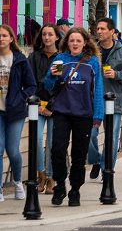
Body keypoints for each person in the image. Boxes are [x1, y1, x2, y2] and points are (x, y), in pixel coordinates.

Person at [45, 27, 103, 207]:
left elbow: (98, 89)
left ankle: (75, 189)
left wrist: (98, 114)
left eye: (78, 40)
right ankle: (60, 185)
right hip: (62, 112)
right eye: (72, 41)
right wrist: (52, 76)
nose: (75, 44)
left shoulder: (92, 62)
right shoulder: (60, 59)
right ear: (67, 43)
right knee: (57, 150)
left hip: (83, 114)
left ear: (85, 42)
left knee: (79, 154)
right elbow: (48, 86)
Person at [87, 17, 122, 181]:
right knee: (89, 135)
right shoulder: (91, 51)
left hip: (114, 101)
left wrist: (116, 74)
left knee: (111, 139)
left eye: (102, 29)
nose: (99, 32)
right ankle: (96, 160)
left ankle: (107, 171)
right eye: (98, 29)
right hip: (93, 101)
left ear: (112, 32)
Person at [0, 24, 36, 202]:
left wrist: (20, 97)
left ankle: (17, 182)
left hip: (15, 110)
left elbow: (31, 85)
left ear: (11, 38)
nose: (1, 39)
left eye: (4, 35)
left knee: (12, 150)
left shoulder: (20, 60)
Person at [28, 23, 61, 194]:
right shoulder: (34, 57)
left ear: (56, 37)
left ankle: (51, 177)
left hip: (56, 108)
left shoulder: (62, 58)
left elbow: (62, 86)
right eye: (44, 34)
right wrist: (38, 103)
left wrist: (51, 105)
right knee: (36, 139)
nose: (47, 37)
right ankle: (40, 174)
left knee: (52, 143)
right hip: (37, 106)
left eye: (50, 34)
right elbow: (29, 81)